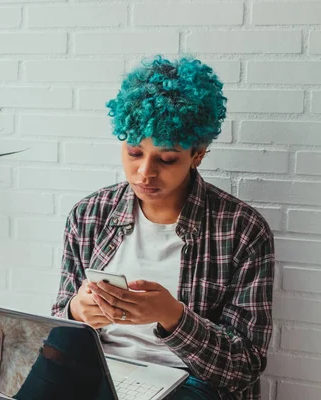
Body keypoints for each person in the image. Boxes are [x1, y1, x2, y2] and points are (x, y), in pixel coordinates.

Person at [52, 56, 274, 400]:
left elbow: (243, 366)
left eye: (166, 159)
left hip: (189, 382)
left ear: (197, 154)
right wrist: (76, 313)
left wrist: (171, 315)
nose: (145, 172)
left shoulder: (242, 230)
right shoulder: (88, 215)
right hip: (99, 367)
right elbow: (58, 325)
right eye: (134, 152)